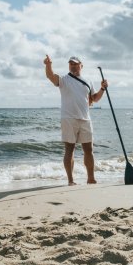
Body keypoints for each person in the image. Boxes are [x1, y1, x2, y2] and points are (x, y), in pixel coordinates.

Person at [44, 55, 107, 185]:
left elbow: (94, 99)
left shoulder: (88, 81)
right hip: (68, 118)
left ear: (81, 66)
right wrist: (48, 65)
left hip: (85, 119)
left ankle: (91, 178)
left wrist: (102, 89)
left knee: (89, 150)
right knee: (69, 149)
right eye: (71, 64)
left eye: (75, 64)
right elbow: (51, 76)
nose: (73, 66)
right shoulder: (64, 80)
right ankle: (70, 180)